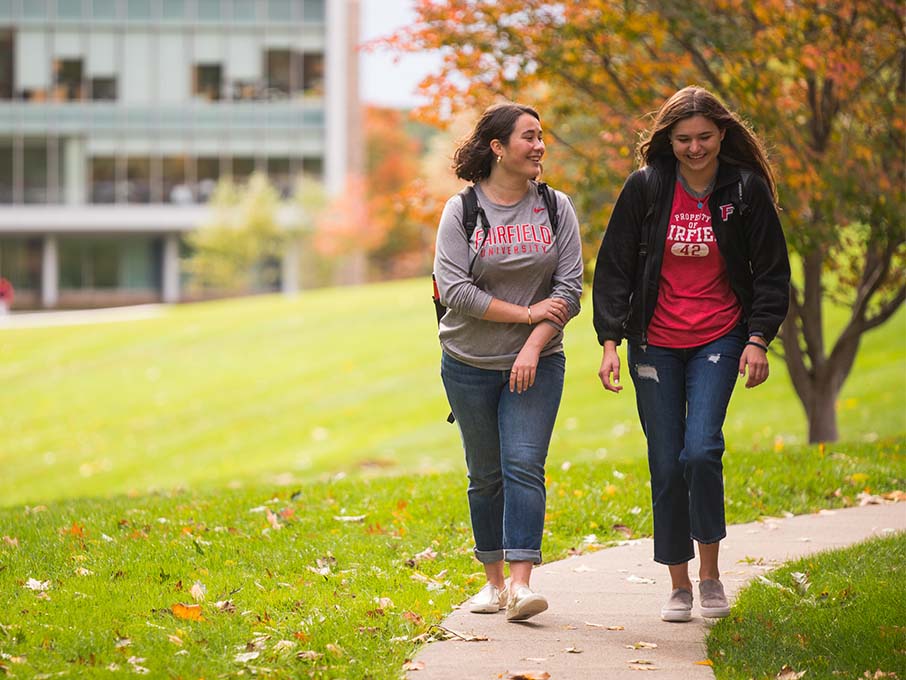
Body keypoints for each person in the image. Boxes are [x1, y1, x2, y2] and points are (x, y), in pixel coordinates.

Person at [592, 86, 790, 622]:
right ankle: (678, 584)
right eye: (683, 139)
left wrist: (757, 339)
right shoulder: (647, 187)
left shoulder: (744, 191)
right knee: (665, 461)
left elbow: (772, 272)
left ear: (723, 134)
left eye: (704, 137)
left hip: (720, 337)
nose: (695, 147)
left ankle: (710, 576)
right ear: (667, 140)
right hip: (654, 342)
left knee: (700, 451)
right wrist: (610, 343)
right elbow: (613, 270)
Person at [434, 103, 583, 621]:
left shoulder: (556, 208)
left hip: (537, 360)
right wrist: (524, 315)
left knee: (524, 464)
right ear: (498, 147)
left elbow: (569, 290)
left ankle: (521, 586)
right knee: (485, 475)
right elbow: (455, 290)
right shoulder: (462, 211)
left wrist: (533, 342)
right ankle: (492, 583)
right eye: (528, 137)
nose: (539, 145)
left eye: (541, 136)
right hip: (468, 361)